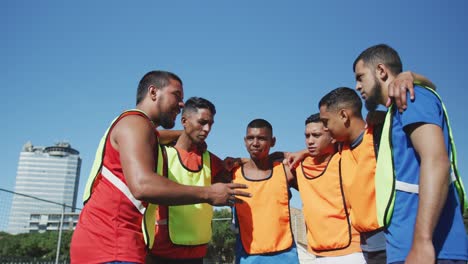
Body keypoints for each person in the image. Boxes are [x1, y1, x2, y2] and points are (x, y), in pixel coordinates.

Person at [70, 71, 249, 264]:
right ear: (153, 92)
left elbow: (159, 136)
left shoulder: (139, 128)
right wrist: (208, 193)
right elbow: (142, 185)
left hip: (115, 243)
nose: (181, 104)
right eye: (177, 95)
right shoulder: (135, 124)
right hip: (111, 245)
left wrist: (189, 133)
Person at [353, 44, 467, 264]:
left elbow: (436, 161)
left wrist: (422, 242)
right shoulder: (397, 108)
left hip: (431, 250)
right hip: (405, 249)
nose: (357, 86)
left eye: (360, 77)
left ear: (381, 71)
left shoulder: (410, 96)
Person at [146, 96, 237, 264]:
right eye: (202, 122)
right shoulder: (161, 154)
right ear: (184, 121)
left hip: (198, 254)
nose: (207, 129)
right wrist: (181, 133)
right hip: (161, 253)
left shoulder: (211, 160)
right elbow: (147, 136)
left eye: (210, 124)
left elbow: (240, 168)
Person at [318, 87, 388, 264]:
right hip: (368, 248)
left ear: (343, 115)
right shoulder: (342, 148)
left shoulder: (381, 136)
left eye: (326, 122)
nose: (325, 128)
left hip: (392, 243)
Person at [293, 113, 365, 263]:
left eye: (316, 135)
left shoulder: (346, 156)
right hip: (317, 254)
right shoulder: (299, 165)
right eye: (307, 136)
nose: (310, 141)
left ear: (332, 136)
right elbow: (269, 162)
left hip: (352, 252)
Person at [232, 118, 300, 264]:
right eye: (250, 138)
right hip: (248, 256)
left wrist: (301, 153)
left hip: (285, 254)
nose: (255, 143)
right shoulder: (232, 174)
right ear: (245, 141)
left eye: (262, 138)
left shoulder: (286, 171)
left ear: (273, 141)